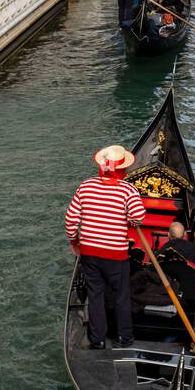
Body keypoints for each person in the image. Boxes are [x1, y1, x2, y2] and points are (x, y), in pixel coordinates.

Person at [65, 145, 146, 349]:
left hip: (90, 253)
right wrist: (127, 221)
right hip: (116, 254)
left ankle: (98, 339)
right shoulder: (128, 190)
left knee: (95, 295)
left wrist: (75, 243)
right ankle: (124, 338)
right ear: (122, 170)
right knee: (121, 296)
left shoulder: (85, 186)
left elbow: (71, 219)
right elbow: (138, 216)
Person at [161, 221, 195, 306]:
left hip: (162, 297)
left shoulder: (160, 252)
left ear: (168, 235)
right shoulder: (192, 251)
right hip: (189, 302)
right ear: (185, 234)